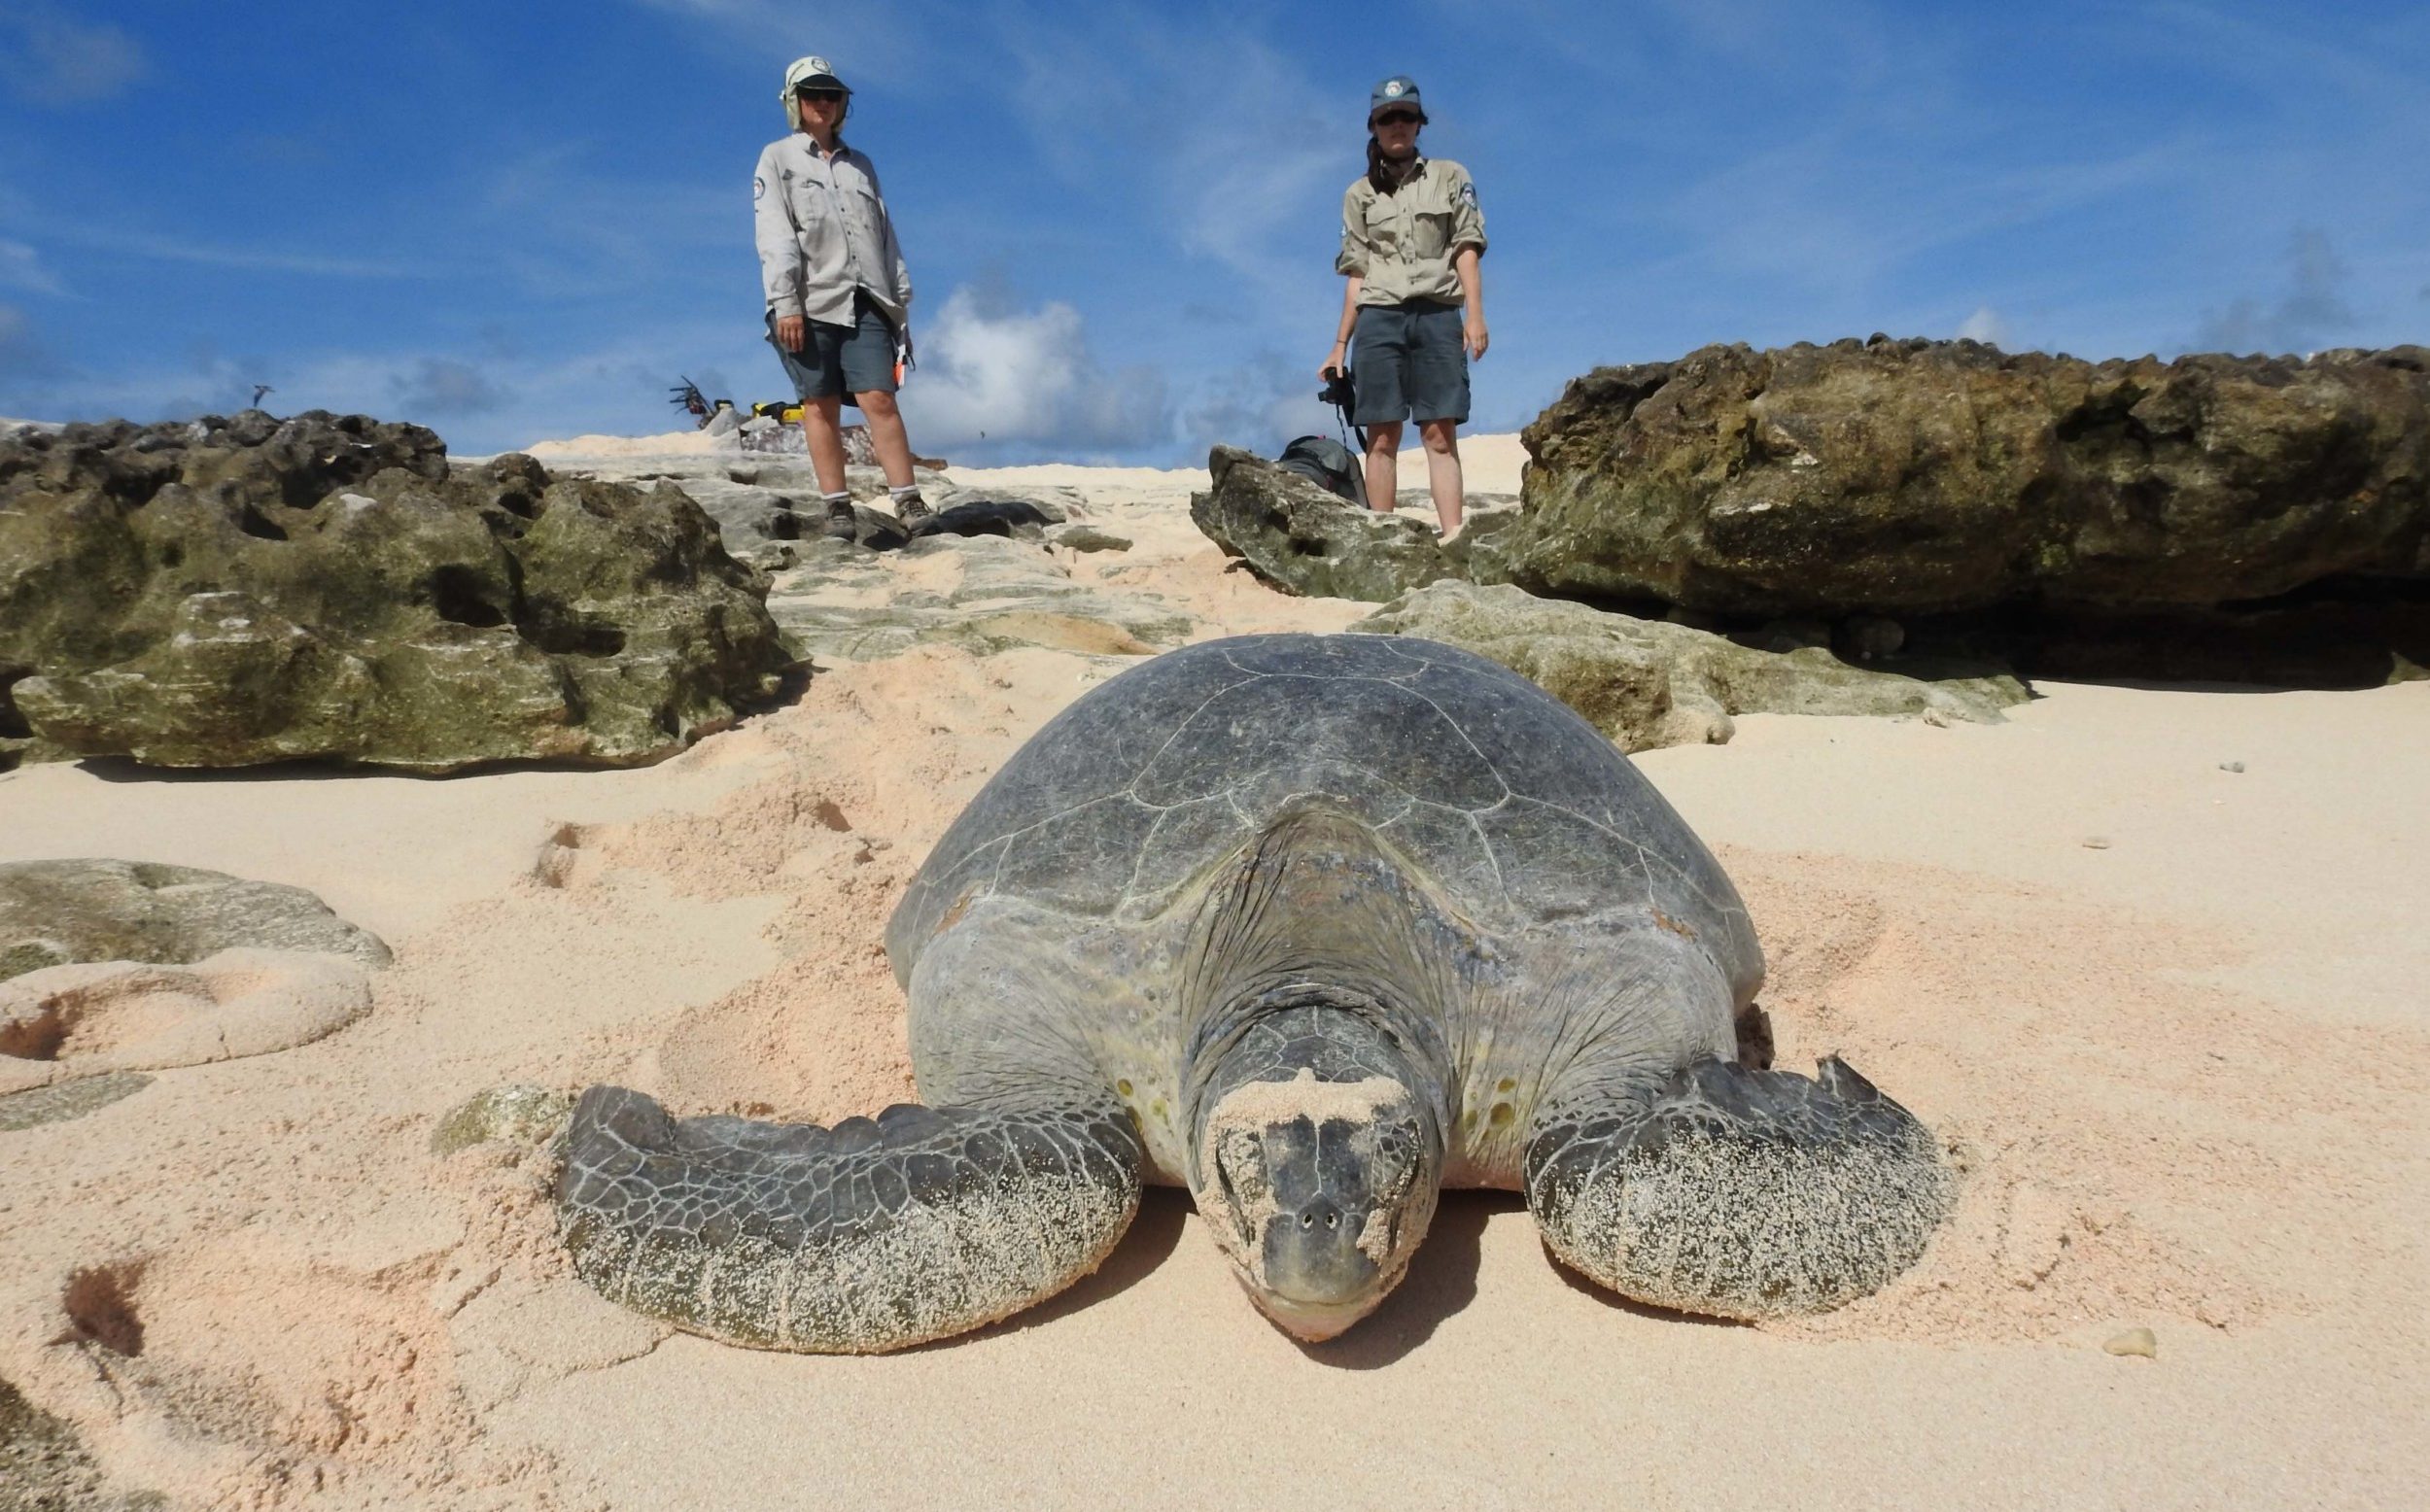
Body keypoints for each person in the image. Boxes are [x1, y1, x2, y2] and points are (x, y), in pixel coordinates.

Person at [753, 54, 933, 539]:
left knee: (880, 396)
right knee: (820, 402)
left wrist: (900, 307)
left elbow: (885, 235)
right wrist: (785, 302)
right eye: (813, 94)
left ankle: (908, 500)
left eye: (832, 95)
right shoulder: (777, 158)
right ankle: (837, 507)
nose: (824, 103)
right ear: (795, 101)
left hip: (868, 297)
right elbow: (774, 234)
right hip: (809, 302)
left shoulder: (862, 165)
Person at [1319, 75, 1488, 538]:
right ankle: (1382, 540)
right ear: (1373, 126)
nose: (1398, 125)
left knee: (1439, 433)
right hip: (1378, 319)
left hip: (1437, 314)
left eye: (1406, 116)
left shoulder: (1452, 176)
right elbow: (1357, 272)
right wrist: (1339, 345)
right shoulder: (1358, 195)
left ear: (1419, 123)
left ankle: (1453, 537)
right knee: (1382, 435)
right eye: (1387, 118)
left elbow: (1466, 248)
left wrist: (1474, 314)